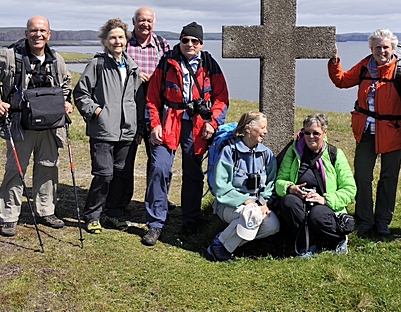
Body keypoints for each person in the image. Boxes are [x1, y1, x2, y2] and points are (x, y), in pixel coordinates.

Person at [0, 15, 73, 237]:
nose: (38, 34)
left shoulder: (56, 59)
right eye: (33, 30)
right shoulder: (10, 57)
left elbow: (66, 83)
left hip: (50, 125)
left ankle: (46, 211)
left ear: (49, 34)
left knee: (48, 166)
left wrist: (64, 101)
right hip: (19, 125)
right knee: (15, 170)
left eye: (42, 31)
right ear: (26, 33)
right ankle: (9, 217)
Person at [142, 22, 229, 246]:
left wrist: (213, 122)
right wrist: (154, 125)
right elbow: (152, 97)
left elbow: (221, 98)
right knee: (159, 167)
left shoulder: (209, 64)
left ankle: (190, 219)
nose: (190, 44)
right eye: (186, 40)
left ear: (200, 44)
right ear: (179, 41)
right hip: (168, 120)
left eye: (195, 41)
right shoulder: (166, 63)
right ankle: (155, 222)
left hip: (197, 124)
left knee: (193, 172)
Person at [327, 29, 401, 236]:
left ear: (393, 48)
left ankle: (382, 221)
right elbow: (341, 81)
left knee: (388, 178)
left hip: (393, 133)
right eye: (377, 47)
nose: (381, 51)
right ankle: (364, 220)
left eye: (386, 47)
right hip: (366, 132)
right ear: (371, 48)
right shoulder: (365, 66)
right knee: (363, 177)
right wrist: (334, 60)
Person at [73, 18, 143, 233]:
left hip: (127, 131)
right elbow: (80, 93)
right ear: (105, 41)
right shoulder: (97, 64)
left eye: (121, 37)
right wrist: (96, 112)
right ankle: (92, 215)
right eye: (112, 37)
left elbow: (137, 100)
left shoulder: (132, 67)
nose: (117, 41)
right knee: (104, 174)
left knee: (122, 174)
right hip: (103, 130)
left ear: (126, 39)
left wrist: (138, 128)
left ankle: (113, 213)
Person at [275, 113, 357, 256]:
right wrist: (290, 188)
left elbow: (350, 189)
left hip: (324, 204)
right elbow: (280, 180)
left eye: (316, 133)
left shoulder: (335, 154)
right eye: (307, 132)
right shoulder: (294, 152)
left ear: (325, 133)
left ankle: (338, 240)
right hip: (299, 200)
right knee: (288, 202)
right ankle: (306, 245)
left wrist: (324, 199)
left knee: (316, 216)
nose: (311, 136)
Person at [206, 111, 280, 262]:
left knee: (273, 226)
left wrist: (264, 203)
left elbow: (270, 184)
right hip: (227, 205)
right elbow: (221, 187)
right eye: (262, 127)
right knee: (251, 214)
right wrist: (246, 201)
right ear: (248, 128)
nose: (265, 132)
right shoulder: (229, 152)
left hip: (257, 205)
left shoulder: (267, 154)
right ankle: (221, 247)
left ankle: (222, 243)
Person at [124, 7, 176, 211]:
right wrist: (136, 76)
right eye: (141, 20)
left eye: (149, 20)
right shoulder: (124, 44)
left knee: (160, 161)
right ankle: (123, 200)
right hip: (130, 110)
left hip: (157, 111)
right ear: (134, 21)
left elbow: (171, 71)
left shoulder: (161, 44)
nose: (145, 24)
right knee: (125, 161)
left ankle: (158, 198)